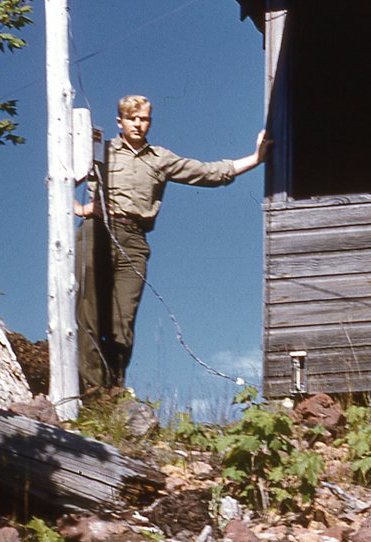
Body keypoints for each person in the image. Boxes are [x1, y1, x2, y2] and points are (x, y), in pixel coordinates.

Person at [74, 95, 270, 391]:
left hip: (134, 240)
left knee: (122, 322)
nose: (138, 124)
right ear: (120, 122)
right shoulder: (99, 149)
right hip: (96, 232)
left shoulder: (160, 158)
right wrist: (78, 207)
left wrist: (256, 159)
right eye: (132, 119)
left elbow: (207, 173)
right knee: (88, 312)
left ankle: (112, 394)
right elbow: (62, 174)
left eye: (144, 119)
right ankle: (89, 392)